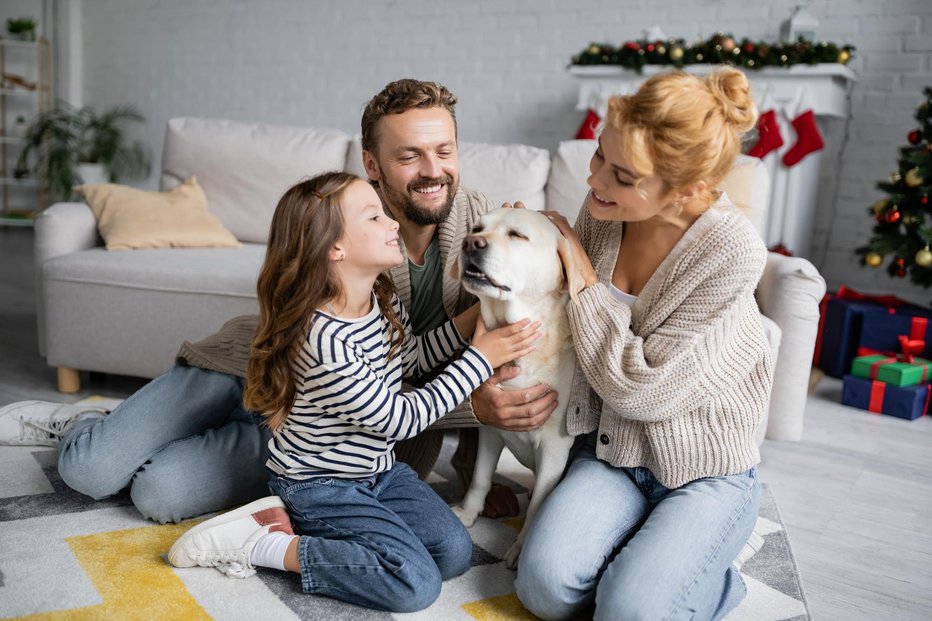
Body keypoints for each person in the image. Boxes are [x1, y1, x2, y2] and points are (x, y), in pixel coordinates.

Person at [6, 78, 556, 524]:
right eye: (409, 156)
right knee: (92, 469)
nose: (433, 171)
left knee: (160, 494)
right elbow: (460, 377)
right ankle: (86, 423)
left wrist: (470, 469)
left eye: (444, 150)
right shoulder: (343, 216)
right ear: (372, 164)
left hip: (322, 432)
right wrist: (475, 402)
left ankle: (163, 437)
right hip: (252, 366)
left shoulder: (485, 226)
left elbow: (462, 352)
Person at [167, 171, 540, 612]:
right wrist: (480, 357)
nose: (393, 224)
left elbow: (414, 359)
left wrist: (473, 320)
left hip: (378, 473)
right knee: (415, 584)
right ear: (335, 248)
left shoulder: (380, 301)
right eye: (375, 217)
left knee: (452, 554)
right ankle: (265, 543)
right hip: (321, 485)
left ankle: (329, 532)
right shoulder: (323, 340)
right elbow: (399, 419)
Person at [514, 68, 773, 621]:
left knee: (629, 611)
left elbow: (640, 389)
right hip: (612, 452)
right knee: (542, 588)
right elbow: (569, 317)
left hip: (704, 468)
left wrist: (580, 273)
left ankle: (706, 575)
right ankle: (647, 559)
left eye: (622, 175)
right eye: (599, 156)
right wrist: (528, 245)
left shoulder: (733, 250)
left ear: (687, 190)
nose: (596, 181)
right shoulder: (607, 210)